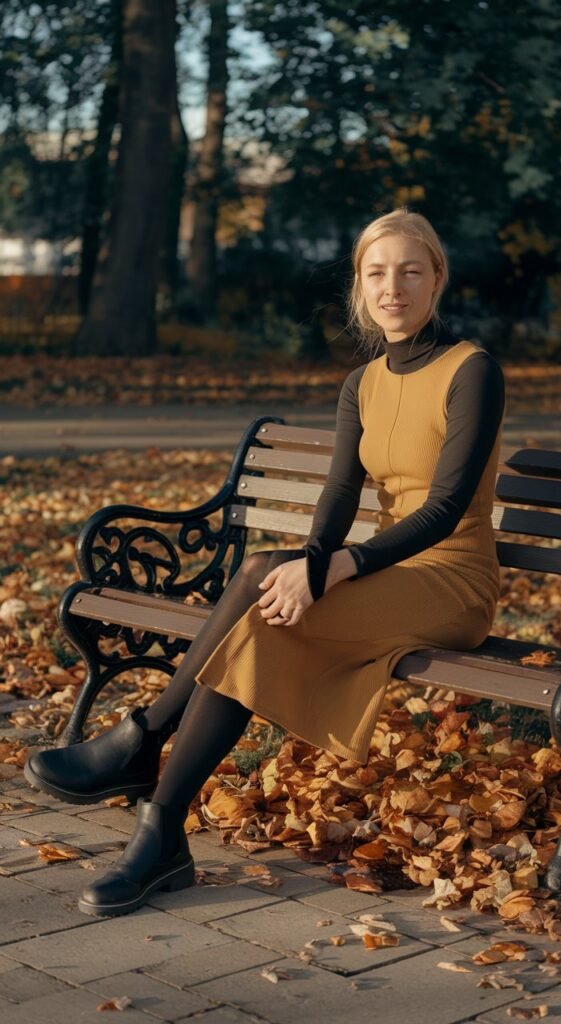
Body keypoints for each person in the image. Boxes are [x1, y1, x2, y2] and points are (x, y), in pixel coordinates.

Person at [23, 207, 506, 918]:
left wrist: (335, 569)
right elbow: (340, 491)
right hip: (387, 567)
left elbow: (444, 509)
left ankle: (149, 771)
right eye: (377, 273)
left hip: (453, 578)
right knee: (261, 580)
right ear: (360, 285)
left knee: (262, 619)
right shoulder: (364, 383)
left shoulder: (472, 370)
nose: (392, 288)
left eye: (410, 271)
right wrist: (314, 560)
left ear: (437, 277)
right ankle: (156, 804)